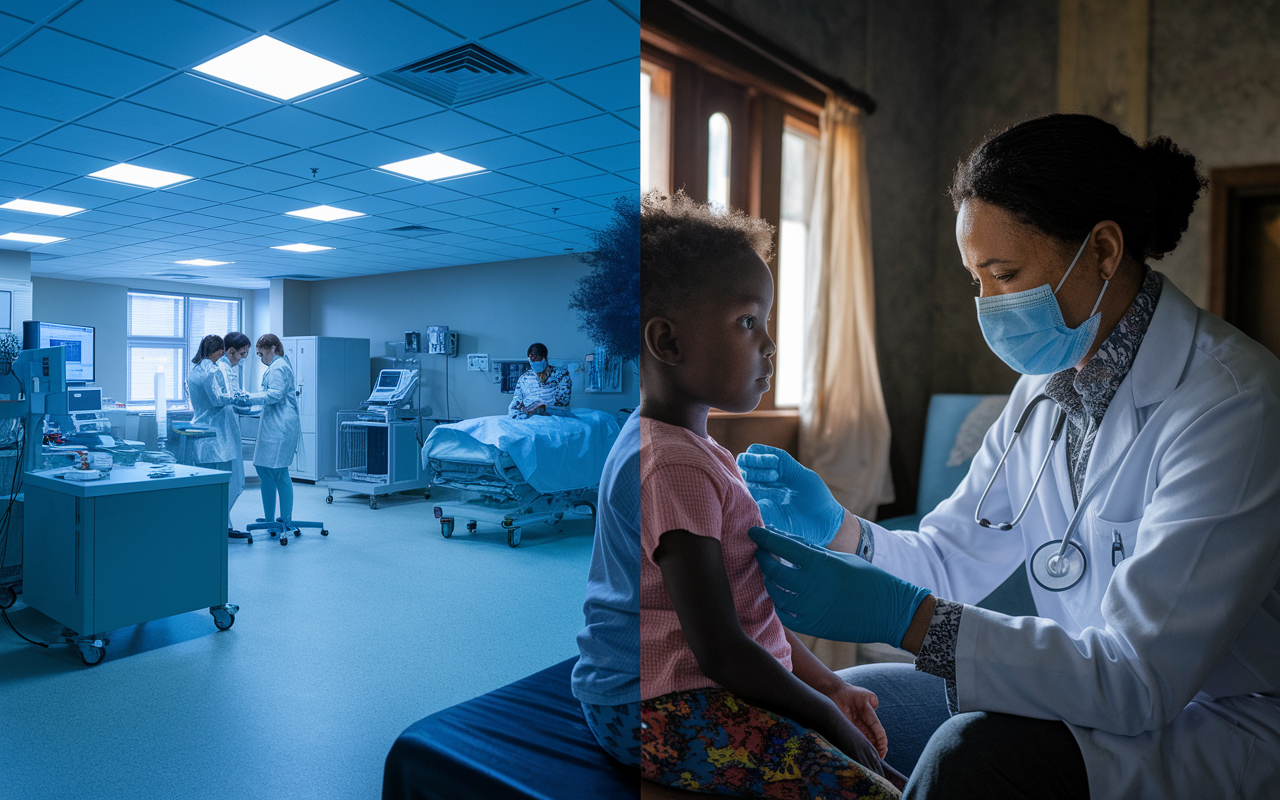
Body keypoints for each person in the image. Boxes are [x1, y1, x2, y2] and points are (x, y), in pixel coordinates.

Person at [740, 114, 1280, 799]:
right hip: (1085, 692)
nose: (989, 304)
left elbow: (1139, 677)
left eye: (1005, 274)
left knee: (977, 755)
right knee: (840, 702)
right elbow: (949, 557)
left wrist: (903, 619)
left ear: (1104, 251)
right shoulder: (1042, 393)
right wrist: (840, 529)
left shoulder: (1233, 404)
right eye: (976, 281)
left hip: (1218, 723)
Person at [627, 190, 904, 798]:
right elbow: (723, 649)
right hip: (665, 706)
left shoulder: (697, 453)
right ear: (668, 342)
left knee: (891, 777)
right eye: (749, 322)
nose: (770, 346)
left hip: (703, 682)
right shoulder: (671, 465)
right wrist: (822, 712)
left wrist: (828, 685)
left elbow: (755, 622)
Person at [234, 334, 300, 546]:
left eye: (262, 351)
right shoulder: (277, 365)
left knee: (280, 471)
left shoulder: (279, 367)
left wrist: (248, 396)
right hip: (274, 423)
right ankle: (270, 518)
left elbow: (274, 395)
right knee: (263, 468)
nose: (260, 356)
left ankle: (285, 519)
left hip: (281, 426)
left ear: (272, 348)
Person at [187, 334, 242, 531]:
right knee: (227, 482)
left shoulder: (194, 371)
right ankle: (220, 525)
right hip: (218, 434)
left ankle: (208, 524)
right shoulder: (211, 370)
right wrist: (236, 398)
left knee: (206, 483)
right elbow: (217, 400)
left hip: (201, 430)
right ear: (219, 351)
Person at [508, 343, 571, 418]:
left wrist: (543, 409)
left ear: (545, 358)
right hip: (529, 419)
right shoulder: (524, 378)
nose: (534, 361)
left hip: (554, 418)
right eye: (532, 359)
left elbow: (563, 401)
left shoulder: (561, 374)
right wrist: (519, 415)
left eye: (537, 358)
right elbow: (515, 404)